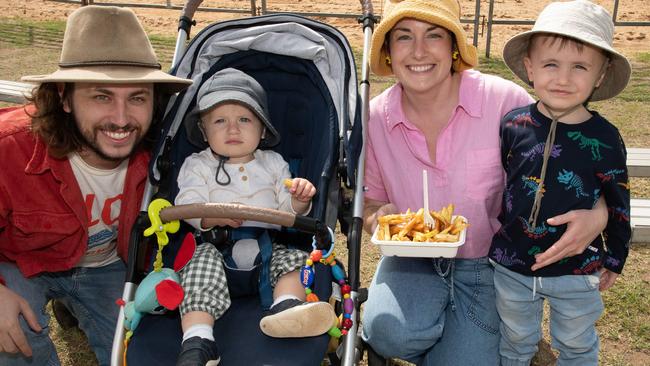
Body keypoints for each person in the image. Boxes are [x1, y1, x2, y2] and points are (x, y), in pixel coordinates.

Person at [360, 0, 610, 364]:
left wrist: (599, 213)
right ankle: (472, 332)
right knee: (388, 334)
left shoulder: (503, 101)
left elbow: (570, 155)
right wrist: (376, 217)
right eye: (403, 37)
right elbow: (369, 203)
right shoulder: (373, 118)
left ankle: (483, 336)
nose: (418, 51)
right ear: (387, 50)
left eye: (434, 35)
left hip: (490, 264)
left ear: (453, 48)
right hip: (411, 259)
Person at [0, 6, 192, 366]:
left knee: (138, 354)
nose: (121, 119)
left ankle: (72, 305)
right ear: (64, 97)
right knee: (12, 337)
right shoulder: (10, 148)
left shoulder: (166, 152)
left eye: (137, 97)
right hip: (21, 265)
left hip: (109, 267)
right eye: (101, 96)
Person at [490, 1, 632, 364]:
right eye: (550, 64)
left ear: (600, 75)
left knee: (577, 344)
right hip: (512, 264)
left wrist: (614, 257)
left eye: (580, 67)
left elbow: (618, 200)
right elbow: (504, 181)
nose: (563, 78)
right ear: (530, 67)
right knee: (516, 341)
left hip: (577, 268)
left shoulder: (605, 138)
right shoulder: (512, 124)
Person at [173, 68, 337, 365]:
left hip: (266, 246)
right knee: (196, 270)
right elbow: (187, 202)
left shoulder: (273, 163)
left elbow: (286, 211)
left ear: (262, 130)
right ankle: (199, 339)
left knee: (296, 262)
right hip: (215, 247)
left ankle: (286, 308)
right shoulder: (197, 164)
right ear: (203, 130)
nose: (232, 130)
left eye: (244, 120)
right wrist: (211, 216)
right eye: (220, 121)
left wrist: (298, 201)